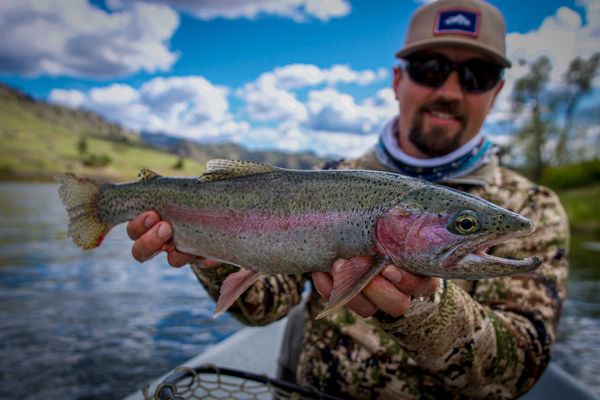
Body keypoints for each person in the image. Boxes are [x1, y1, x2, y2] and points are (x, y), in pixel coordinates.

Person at [127, 0, 570, 398]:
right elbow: (265, 305)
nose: (450, 91)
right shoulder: (328, 176)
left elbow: (515, 374)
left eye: (477, 75)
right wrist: (210, 247)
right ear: (398, 80)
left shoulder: (533, 210)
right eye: (430, 69)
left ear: (496, 93)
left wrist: (423, 308)